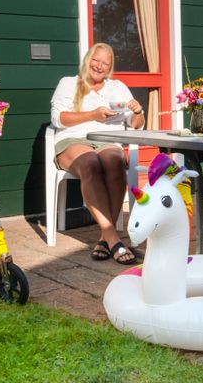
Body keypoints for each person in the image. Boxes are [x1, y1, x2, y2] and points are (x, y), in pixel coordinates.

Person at [51, 42, 145, 264]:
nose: (99, 66)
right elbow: (58, 119)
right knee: (90, 163)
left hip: (107, 139)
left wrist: (138, 111)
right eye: (96, 60)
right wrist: (92, 115)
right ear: (87, 60)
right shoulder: (68, 83)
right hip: (73, 139)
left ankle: (104, 239)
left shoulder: (118, 87)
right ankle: (113, 238)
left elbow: (136, 124)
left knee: (115, 161)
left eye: (105, 63)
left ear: (110, 68)